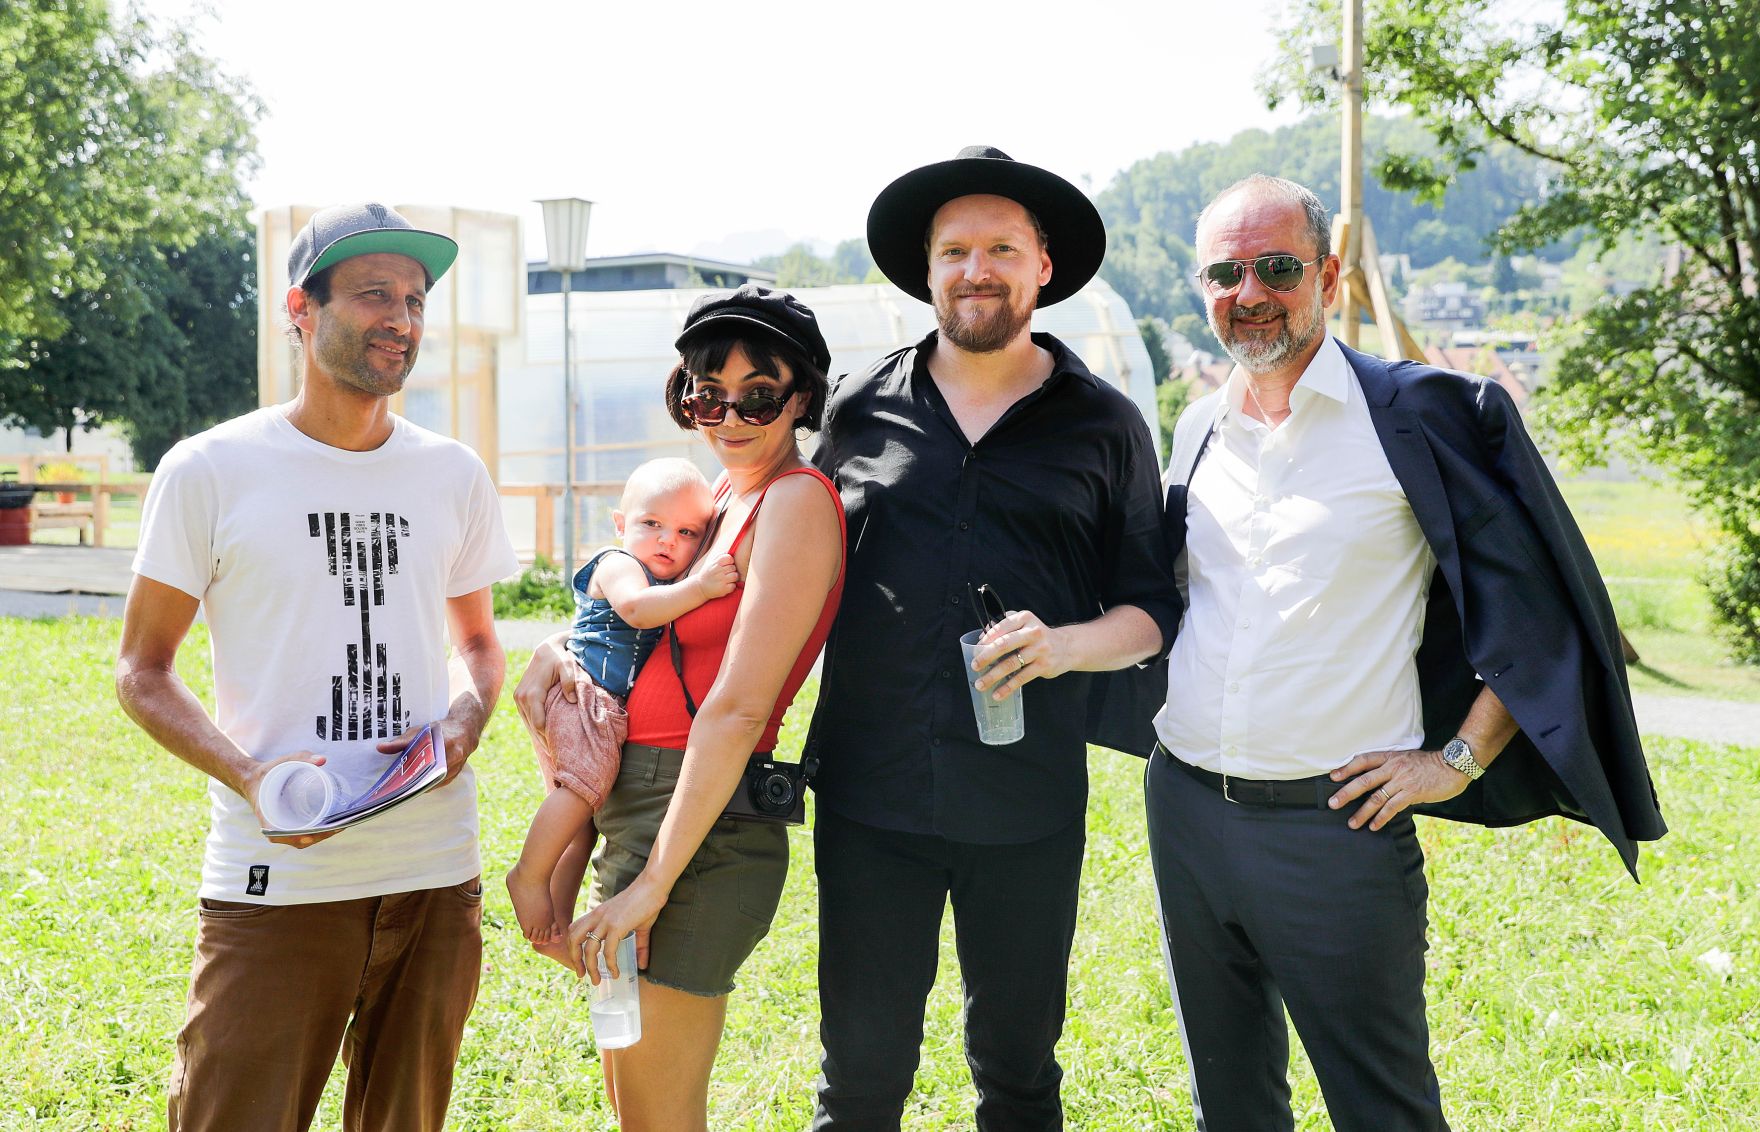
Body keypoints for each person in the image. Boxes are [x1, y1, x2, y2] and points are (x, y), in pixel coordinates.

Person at [1147, 174, 1667, 1131]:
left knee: (1383, 1111)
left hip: (1336, 827)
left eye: (1276, 268)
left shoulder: (1420, 415)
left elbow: (1541, 609)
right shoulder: (1196, 427)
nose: (1249, 293)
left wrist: (1457, 760)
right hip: (1182, 809)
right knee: (1228, 1103)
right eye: (1225, 273)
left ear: (1327, 276)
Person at [115, 202, 519, 1131]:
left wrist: (465, 719)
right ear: (301, 308)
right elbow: (141, 669)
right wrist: (251, 777)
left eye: (415, 300)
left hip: (433, 872)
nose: (401, 319)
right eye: (374, 293)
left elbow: (479, 646)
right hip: (278, 877)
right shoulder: (209, 470)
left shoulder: (453, 473)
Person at [806, 146, 1182, 1130]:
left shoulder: (1105, 425)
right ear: (926, 269)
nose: (976, 270)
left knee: (1018, 1076)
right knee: (858, 1081)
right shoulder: (856, 409)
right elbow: (779, 572)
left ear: (1042, 267)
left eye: (1001, 249)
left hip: (1027, 801)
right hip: (869, 796)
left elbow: (1151, 609)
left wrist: (1064, 646)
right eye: (955, 251)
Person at [513, 284, 845, 1131]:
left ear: (800, 398)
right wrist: (557, 649)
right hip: (639, 804)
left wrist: (654, 884)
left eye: (758, 396)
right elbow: (638, 626)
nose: (729, 417)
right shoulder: (717, 499)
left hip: (700, 824)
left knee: (659, 1114)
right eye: (708, 395)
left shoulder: (794, 500)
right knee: (632, 1103)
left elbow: (737, 710)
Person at [505, 457, 737, 954]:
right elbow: (634, 610)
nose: (667, 540)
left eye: (687, 532)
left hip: (595, 708)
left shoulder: (661, 580)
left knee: (583, 828)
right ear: (620, 524)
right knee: (582, 792)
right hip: (583, 697)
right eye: (651, 523)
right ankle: (528, 875)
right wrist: (700, 587)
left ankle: (555, 924)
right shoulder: (620, 565)